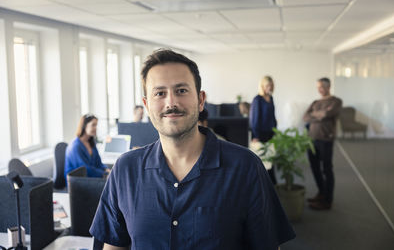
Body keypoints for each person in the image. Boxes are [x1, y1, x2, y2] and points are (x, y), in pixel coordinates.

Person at [90, 49, 295, 250]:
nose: (171, 102)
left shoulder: (245, 167)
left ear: (200, 100)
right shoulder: (125, 170)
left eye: (181, 90)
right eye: (160, 93)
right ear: (146, 105)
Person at [303, 77, 342, 210]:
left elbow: (328, 113)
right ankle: (321, 193)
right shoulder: (315, 101)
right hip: (312, 139)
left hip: (326, 139)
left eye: (320, 87)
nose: (318, 89)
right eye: (317, 87)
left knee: (326, 169)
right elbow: (305, 117)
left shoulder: (336, 101)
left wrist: (315, 114)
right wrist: (320, 114)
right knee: (315, 168)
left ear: (327, 87)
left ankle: (327, 200)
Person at [249, 75, 278, 185]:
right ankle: (264, 184)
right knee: (262, 160)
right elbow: (254, 119)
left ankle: (272, 183)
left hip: (270, 133)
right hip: (259, 134)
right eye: (267, 86)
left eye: (270, 85)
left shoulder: (271, 98)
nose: (269, 88)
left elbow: (273, 116)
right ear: (262, 86)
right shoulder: (258, 99)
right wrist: (256, 136)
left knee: (270, 159)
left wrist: (276, 131)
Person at [64, 114, 110, 180]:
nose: (96, 128)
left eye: (96, 125)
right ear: (84, 126)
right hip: (77, 181)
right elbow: (85, 169)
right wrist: (104, 174)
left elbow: (98, 163)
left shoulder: (91, 142)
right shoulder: (75, 146)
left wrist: (106, 169)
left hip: (90, 177)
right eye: (93, 125)